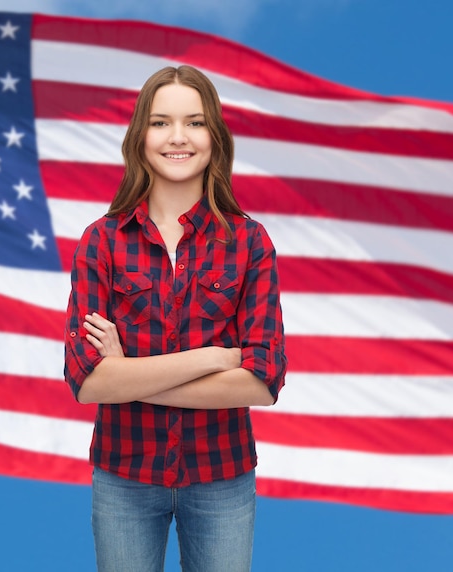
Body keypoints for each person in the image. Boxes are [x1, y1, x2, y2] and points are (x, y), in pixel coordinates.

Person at [64, 65, 287, 572]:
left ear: (216, 137)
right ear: (140, 136)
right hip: (124, 478)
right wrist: (211, 358)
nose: (178, 137)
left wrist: (129, 376)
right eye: (161, 122)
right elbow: (87, 381)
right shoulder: (101, 241)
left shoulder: (250, 243)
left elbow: (262, 380)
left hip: (222, 479)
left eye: (196, 122)